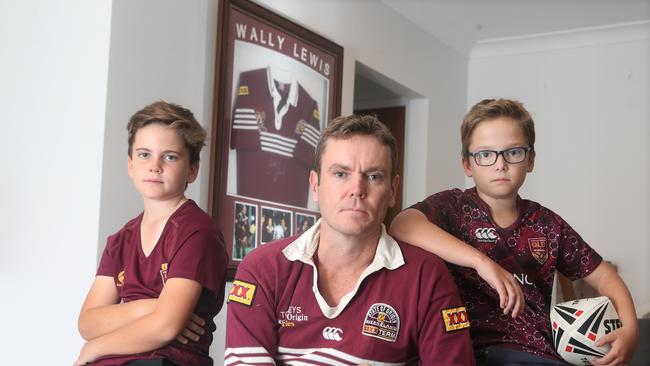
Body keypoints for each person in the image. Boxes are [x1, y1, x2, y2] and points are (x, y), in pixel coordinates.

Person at [390, 99, 638, 365]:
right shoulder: (452, 208)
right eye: (485, 154)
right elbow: (402, 225)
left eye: (513, 152)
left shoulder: (547, 224)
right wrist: (481, 262)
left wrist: (631, 329)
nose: (500, 164)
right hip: (463, 349)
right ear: (467, 164)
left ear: (530, 160)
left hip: (535, 353)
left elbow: (604, 275)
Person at [225, 115, 474, 365]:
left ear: (392, 191)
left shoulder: (427, 276)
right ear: (315, 185)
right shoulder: (262, 268)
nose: (357, 189)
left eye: (374, 176)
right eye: (340, 174)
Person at [75, 101, 229, 366]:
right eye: (144, 154)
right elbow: (87, 323)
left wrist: (96, 346)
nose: (155, 165)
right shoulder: (121, 240)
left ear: (192, 170)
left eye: (170, 156)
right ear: (131, 165)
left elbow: (166, 327)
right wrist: (153, 306)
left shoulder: (197, 232)